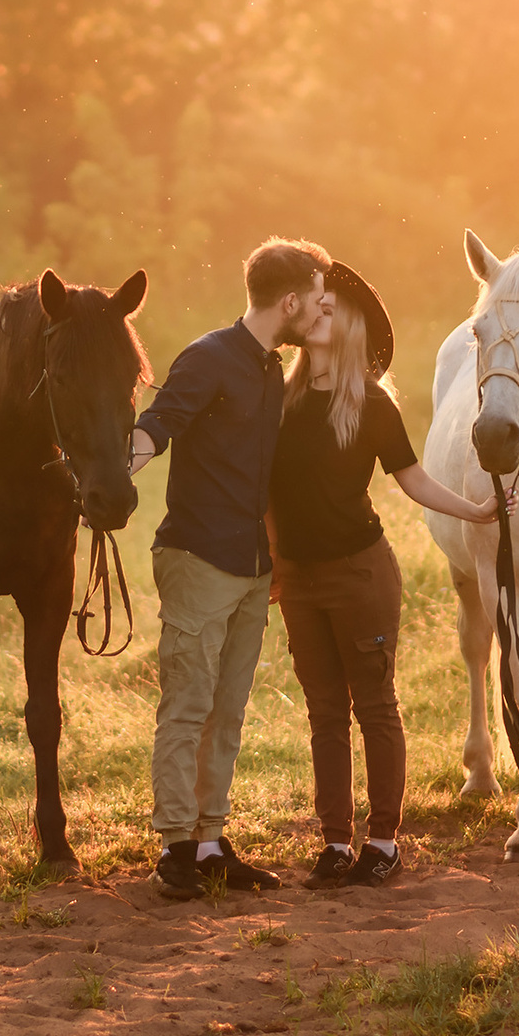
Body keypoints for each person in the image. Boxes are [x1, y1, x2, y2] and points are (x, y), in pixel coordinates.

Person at [270, 261, 505, 888]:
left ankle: (382, 841)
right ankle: (334, 843)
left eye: (329, 307)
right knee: (324, 712)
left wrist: (477, 509)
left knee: (373, 706)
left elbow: (415, 480)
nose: (318, 312)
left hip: (360, 574)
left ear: (349, 326)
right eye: (314, 305)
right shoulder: (279, 395)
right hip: (299, 577)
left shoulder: (371, 404)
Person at [128, 237, 330, 900]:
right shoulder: (208, 357)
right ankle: (175, 848)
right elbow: (158, 426)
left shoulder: (272, 370)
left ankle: (211, 841)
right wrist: (101, 478)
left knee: (228, 710)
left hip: (249, 565)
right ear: (291, 299)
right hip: (196, 557)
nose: (319, 312)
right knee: (187, 707)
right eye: (317, 300)